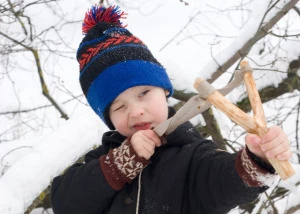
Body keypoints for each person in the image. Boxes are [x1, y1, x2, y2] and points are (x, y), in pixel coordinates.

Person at [50, 4, 292, 214]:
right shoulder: (102, 159)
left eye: (144, 93)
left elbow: (225, 181)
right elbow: (66, 203)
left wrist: (258, 159)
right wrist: (121, 164)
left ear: (165, 91)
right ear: (109, 118)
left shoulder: (193, 156)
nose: (135, 112)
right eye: (119, 107)